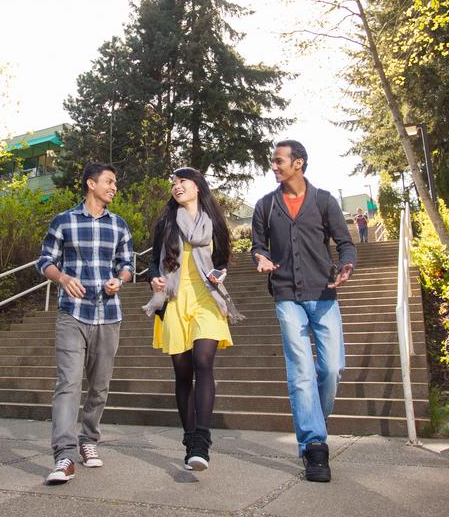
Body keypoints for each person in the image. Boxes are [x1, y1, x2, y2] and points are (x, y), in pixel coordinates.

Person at [250, 140, 357, 483]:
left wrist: (346, 265)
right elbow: (257, 245)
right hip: (285, 295)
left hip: (324, 295)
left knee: (332, 368)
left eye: (279, 161)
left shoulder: (324, 201)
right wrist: (260, 257)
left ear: (298, 163)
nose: (274, 166)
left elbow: (345, 243)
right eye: (273, 161)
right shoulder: (265, 206)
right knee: (301, 371)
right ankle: (314, 445)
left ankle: (315, 422)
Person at [141, 167, 244, 471]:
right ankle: (189, 438)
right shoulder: (166, 223)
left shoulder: (214, 223)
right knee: (183, 373)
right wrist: (154, 279)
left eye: (182, 181)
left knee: (203, 361)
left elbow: (223, 259)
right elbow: (152, 263)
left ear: (198, 186)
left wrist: (221, 271)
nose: (176, 186)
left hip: (207, 299)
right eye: (173, 182)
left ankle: (201, 440)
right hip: (173, 299)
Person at [38, 163, 135, 485]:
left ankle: (88, 439)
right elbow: (45, 261)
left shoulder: (119, 225)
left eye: (115, 182)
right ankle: (64, 455)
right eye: (109, 181)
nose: (114, 187)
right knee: (67, 384)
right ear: (91, 184)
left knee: (99, 386)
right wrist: (63, 277)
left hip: (108, 315)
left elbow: (127, 265)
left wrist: (119, 280)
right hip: (72, 313)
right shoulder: (63, 221)